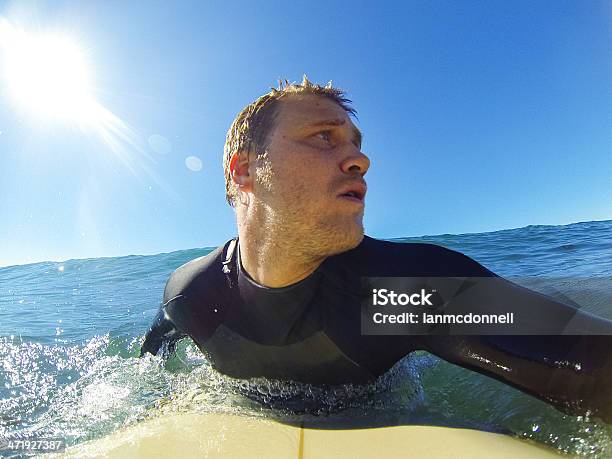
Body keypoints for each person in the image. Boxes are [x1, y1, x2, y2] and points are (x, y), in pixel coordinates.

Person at [140, 77, 612, 422]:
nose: (360, 160)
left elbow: (590, 359)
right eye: (324, 136)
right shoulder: (193, 294)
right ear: (243, 170)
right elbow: (153, 360)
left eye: (356, 144)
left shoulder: (399, 292)